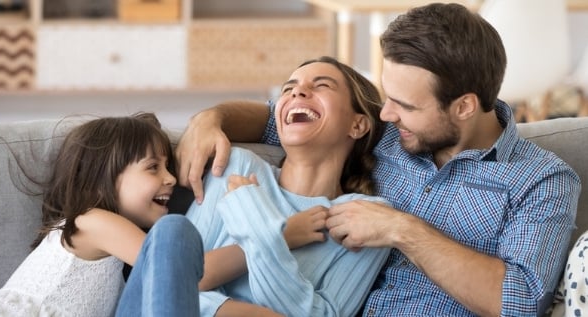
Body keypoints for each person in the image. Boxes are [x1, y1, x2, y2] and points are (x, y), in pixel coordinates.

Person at [175, 3, 581, 316]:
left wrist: (402, 229)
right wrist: (212, 118)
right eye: (385, 97)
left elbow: (520, 303)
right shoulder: (382, 134)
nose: (384, 114)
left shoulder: (540, 179)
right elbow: (279, 117)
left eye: (403, 105)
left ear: (464, 106)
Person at [184, 56, 392, 316]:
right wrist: (281, 237)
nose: (298, 91)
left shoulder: (365, 218)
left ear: (357, 125)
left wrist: (256, 223)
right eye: (288, 88)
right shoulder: (238, 167)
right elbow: (172, 279)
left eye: (322, 85)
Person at [0, 113, 203, 316]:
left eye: (169, 167)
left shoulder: (117, 262)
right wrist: (238, 245)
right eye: (153, 167)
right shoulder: (91, 222)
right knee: (173, 231)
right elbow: (177, 267)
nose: (171, 179)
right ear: (101, 180)